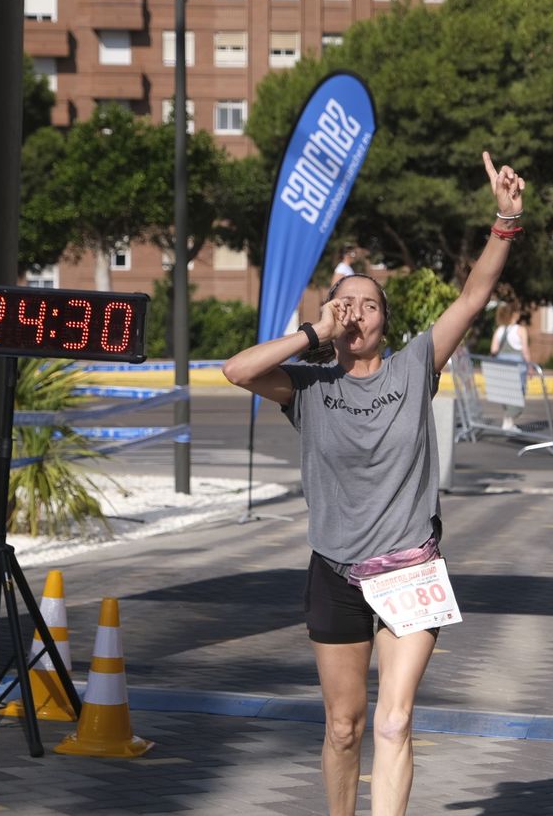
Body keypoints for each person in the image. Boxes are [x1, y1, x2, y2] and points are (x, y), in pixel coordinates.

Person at [222, 151, 526, 816]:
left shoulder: (414, 365)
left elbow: (474, 296)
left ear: (385, 321)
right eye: (345, 302)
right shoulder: (307, 385)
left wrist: (504, 220)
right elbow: (237, 370)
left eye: (369, 303)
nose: (357, 310)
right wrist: (311, 331)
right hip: (334, 570)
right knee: (344, 726)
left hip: (410, 566)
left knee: (393, 722)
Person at [489, 309, 530, 430]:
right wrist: (530, 366)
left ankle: (508, 421)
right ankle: (509, 421)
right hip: (517, 366)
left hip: (502, 366)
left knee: (506, 393)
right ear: (513, 315)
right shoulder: (520, 330)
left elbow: (493, 350)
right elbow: (525, 350)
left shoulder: (500, 330)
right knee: (518, 394)